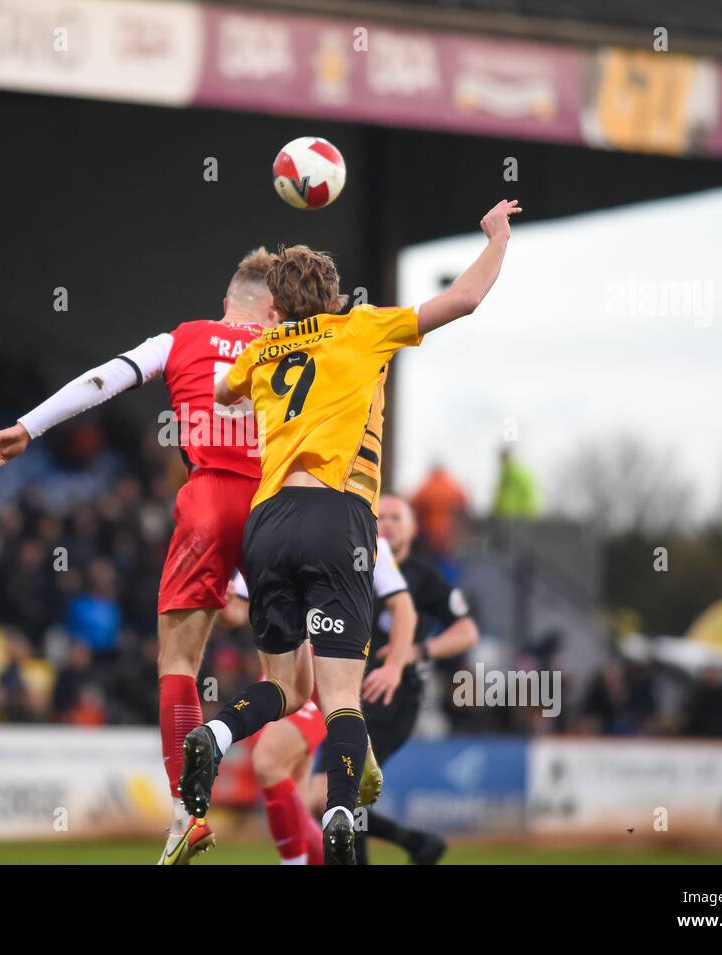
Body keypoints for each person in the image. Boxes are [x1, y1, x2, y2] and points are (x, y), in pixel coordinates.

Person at [184, 198, 520, 863]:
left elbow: (223, 391)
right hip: (334, 517)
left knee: (286, 687)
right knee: (339, 699)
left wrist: (262, 330)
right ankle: (339, 811)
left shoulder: (267, 346)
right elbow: (464, 299)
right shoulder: (362, 327)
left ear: (279, 305)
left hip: (267, 522)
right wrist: (497, 238)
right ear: (335, 296)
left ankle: (216, 737)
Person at [0, 249, 279, 864]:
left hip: (209, 502)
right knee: (297, 680)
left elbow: (101, 380)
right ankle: (349, 781)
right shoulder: (295, 346)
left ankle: (187, 813)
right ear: (272, 311)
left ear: (227, 303)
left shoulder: (182, 338)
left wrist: (28, 427)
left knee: (177, 661)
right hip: (280, 506)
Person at [220, 534, 416, 865]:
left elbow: (404, 609)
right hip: (278, 676)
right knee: (293, 799)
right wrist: (220, 599)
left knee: (268, 763)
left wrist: (395, 666)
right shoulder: (272, 530)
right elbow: (237, 613)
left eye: (398, 515)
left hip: (321, 683)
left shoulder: (366, 540)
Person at [357, 493, 479, 864]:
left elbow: (467, 631)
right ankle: (418, 844)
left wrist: (417, 651)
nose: (388, 524)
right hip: (352, 695)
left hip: (395, 698)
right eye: (382, 517)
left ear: (413, 527)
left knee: (343, 790)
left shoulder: (424, 578)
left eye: (397, 517)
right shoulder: (360, 567)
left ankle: (415, 843)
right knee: (334, 794)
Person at [492, 447, 538, 518]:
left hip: (517, 516)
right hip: (509, 516)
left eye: (504, 459)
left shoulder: (517, 475)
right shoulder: (506, 475)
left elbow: (527, 496)